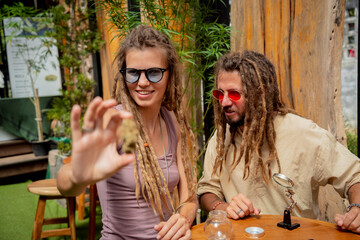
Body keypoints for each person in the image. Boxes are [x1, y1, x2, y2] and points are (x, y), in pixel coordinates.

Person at [56, 25, 198, 240]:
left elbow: (189, 199)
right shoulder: (119, 123)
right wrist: (77, 176)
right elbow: (66, 183)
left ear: (169, 74)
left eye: (153, 72)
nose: (142, 82)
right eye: (133, 73)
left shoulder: (170, 121)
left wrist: (183, 219)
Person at [197, 50, 360, 233]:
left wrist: (357, 208)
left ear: (260, 93)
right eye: (220, 93)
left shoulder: (303, 134)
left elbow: (354, 176)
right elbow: (206, 190)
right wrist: (222, 207)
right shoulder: (221, 137)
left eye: (234, 94)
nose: (224, 102)